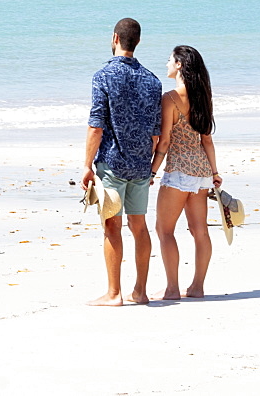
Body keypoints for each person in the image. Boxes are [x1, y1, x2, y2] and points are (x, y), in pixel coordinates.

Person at [82, 18, 162, 306]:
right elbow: (156, 131)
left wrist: (87, 165)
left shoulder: (103, 76)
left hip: (113, 164)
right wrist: (150, 165)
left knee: (111, 226)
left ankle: (114, 293)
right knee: (139, 226)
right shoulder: (153, 80)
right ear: (137, 41)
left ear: (115, 38)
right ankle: (140, 291)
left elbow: (96, 126)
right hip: (141, 165)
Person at [150, 45, 220, 300]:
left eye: (170, 60)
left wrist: (152, 171)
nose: (167, 63)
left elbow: (165, 142)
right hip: (201, 171)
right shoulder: (203, 96)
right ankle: (197, 287)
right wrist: (214, 172)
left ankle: (171, 289)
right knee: (199, 230)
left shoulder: (170, 98)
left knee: (164, 230)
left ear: (179, 64)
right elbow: (207, 140)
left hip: (179, 170)